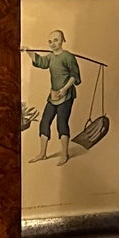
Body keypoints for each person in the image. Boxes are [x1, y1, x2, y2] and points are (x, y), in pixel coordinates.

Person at [29, 29, 82, 163]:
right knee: (45, 122)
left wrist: (64, 89)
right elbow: (41, 62)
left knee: (61, 123)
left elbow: (74, 75)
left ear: (63, 40)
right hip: (53, 96)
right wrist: (28, 51)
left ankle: (64, 154)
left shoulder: (68, 57)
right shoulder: (50, 57)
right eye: (50, 41)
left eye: (56, 40)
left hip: (66, 95)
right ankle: (42, 154)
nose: (52, 44)